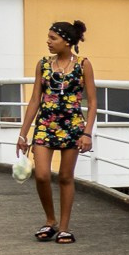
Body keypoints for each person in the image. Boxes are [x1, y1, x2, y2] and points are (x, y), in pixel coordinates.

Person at [15, 20, 97, 243]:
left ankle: (64, 227)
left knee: (65, 177)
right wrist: (23, 134)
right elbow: (34, 100)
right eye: (48, 37)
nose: (48, 42)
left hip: (72, 128)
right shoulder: (43, 64)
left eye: (53, 38)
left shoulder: (83, 64)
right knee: (41, 175)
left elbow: (92, 101)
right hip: (44, 126)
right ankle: (50, 220)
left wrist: (87, 133)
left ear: (67, 41)